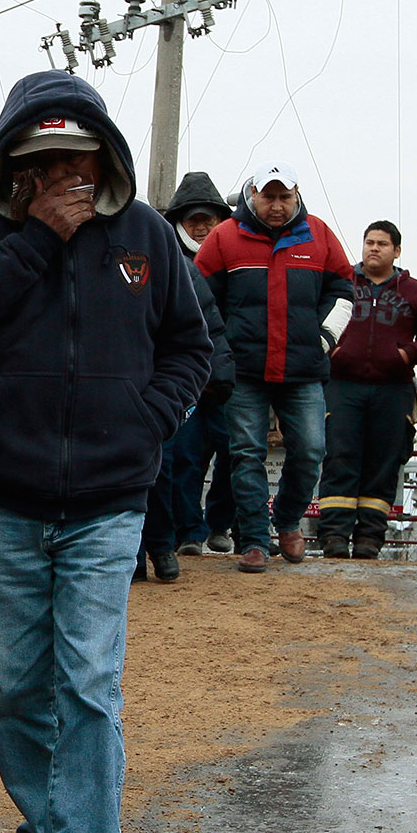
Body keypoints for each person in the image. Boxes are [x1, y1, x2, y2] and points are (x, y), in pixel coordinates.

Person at [0, 71, 212, 833]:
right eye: (42, 158)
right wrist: (37, 242)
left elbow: (191, 346)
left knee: (88, 680)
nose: (62, 173)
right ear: (13, 160)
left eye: (75, 155)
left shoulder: (148, 237)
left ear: (104, 152)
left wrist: (145, 423)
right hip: (2, 497)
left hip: (108, 498)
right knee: (17, 687)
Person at [195, 162, 356, 573]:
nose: (277, 206)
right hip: (245, 371)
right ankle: (253, 539)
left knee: (310, 451)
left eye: (284, 197)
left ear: (296, 194)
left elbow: (343, 291)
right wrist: (220, 350)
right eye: (269, 197)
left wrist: (324, 338)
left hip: (303, 368)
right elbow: (199, 298)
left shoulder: (318, 235)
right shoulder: (225, 237)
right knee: (244, 453)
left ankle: (286, 519)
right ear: (253, 196)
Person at [318, 221, 417, 558]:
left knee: (384, 463)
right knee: (339, 457)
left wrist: (406, 355)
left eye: (382, 244)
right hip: (342, 386)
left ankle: (370, 538)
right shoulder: (342, 282)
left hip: (394, 390)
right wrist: (333, 351)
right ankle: (333, 535)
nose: (374, 248)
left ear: (396, 251)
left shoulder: (414, 291)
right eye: (369, 242)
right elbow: (316, 317)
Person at [163, 171, 239, 558]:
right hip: (183, 377)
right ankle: (189, 530)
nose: (201, 225)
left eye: (209, 218)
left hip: (229, 376)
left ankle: (220, 524)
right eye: (194, 218)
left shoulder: (235, 253)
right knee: (184, 457)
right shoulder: (163, 255)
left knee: (234, 451)